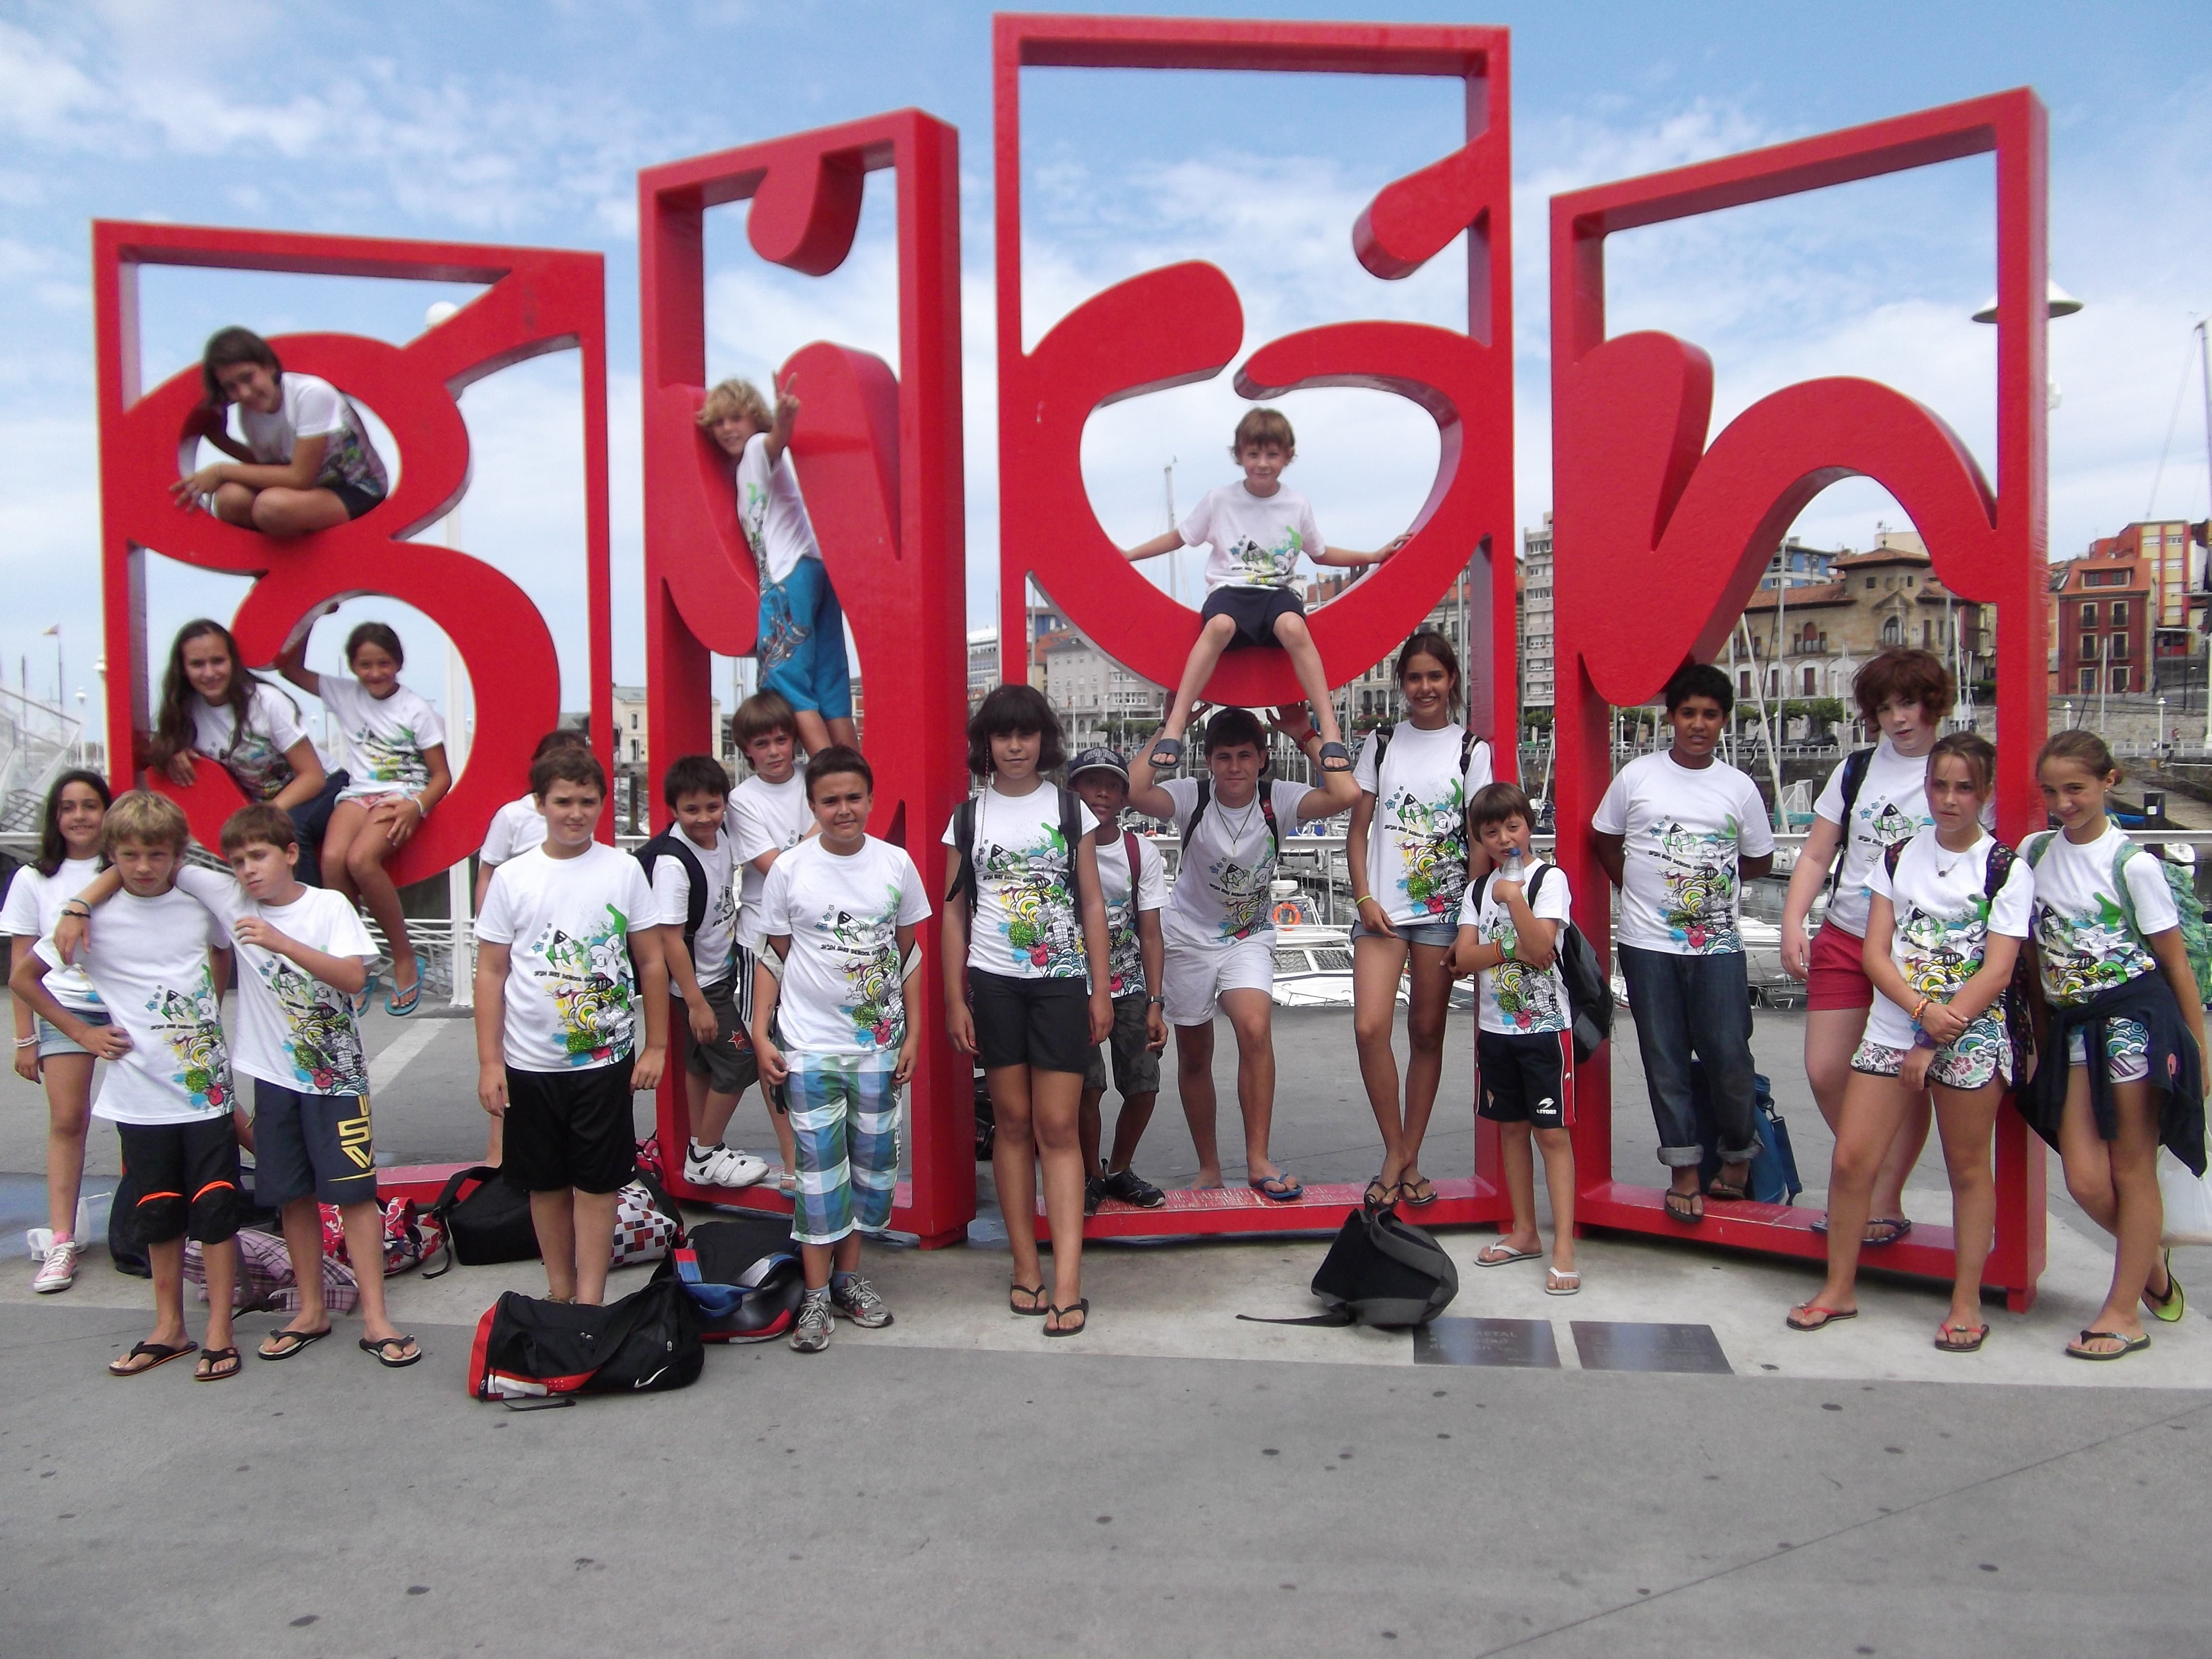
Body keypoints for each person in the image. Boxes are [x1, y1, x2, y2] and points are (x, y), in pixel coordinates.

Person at [57, 805, 419, 1367]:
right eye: (238, 861)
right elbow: (148, 858)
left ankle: (376, 1317)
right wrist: (79, 905)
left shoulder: (328, 906)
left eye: (260, 857)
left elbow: (352, 978)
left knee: (353, 1195)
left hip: (338, 1080)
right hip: (272, 1079)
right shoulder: (230, 899)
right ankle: (311, 1308)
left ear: (291, 853)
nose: (248, 870)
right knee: (290, 1197)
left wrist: (280, 942)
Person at [1787, 734, 2029, 1348]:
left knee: (1968, 1168)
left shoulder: (2005, 868)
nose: (1948, 799)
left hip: (1969, 1034)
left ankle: (1966, 1301)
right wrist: (1920, 1012)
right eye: (1939, 786)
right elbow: (1874, 951)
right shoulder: (1895, 857)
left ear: (1985, 793)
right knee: (1851, 1161)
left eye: (1963, 788)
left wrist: (1941, 1024)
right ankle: (1839, 1288)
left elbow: (1997, 969)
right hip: (1897, 1025)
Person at [8, 792, 243, 1380]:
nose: (144, 866)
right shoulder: (89, 919)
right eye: (131, 855)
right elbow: (24, 978)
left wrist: (209, 1010)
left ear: (176, 854)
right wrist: (80, 1038)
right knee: (158, 1212)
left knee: (216, 1206)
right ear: (112, 855)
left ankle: (219, 1330)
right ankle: (169, 1328)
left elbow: (222, 951)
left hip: (204, 1088)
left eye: (157, 854)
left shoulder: (197, 903)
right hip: (139, 1093)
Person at [2019, 730, 2204, 1361]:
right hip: (2073, 1026)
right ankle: (2150, 1267)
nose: (2063, 802)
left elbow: (2176, 965)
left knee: (2131, 1167)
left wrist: (2199, 1049)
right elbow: (2031, 955)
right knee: (2083, 1179)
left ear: (2108, 782)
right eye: (2051, 791)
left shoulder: (2134, 864)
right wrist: (2040, 1037)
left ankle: (2124, 1313)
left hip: (2134, 1021)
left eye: (2075, 788)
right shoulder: (2034, 851)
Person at [1128, 702, 1361, 1200]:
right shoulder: (1193, 796)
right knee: (1195, 1053)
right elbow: (1133, 790)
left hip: (1247, 935)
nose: (1234, 768)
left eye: (1245, 756)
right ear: (1208, 761)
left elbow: (1346, 792)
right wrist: (1175, 727)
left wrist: (1304, 733)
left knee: (1255, 1027)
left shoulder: (1278, 799)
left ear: (1261, 760)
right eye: (1224, 757)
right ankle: (1209, 1167)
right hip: (1188, 937)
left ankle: (1258, 1159)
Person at [942, 686, 1113, 1338]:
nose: (1015, 747)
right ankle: (1025, 1268)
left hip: (1061, 982)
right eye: (1002, 735)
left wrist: (1099, 988)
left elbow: (1093, 905)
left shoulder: (1072, 812)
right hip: (994, 983)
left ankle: (1068, 1281)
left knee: (1058, 1126)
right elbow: (955, 911)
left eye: (1026, 734)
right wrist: (957, 996)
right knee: (1011, 1124)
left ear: (1045, 740)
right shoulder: (966, 818)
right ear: (985, 745)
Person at [473, 749, 668, 1307]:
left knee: (598, 1183)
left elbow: (650, 961)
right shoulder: (513, 877)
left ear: (603, 804)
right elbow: (490, 971)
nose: (576, 813)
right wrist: (490, 1062)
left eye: (587, 802)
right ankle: (559, 1291)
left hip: (604, 1061)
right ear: (539, 805)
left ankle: (590, 1299)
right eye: (563, 802)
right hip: (529, 1063)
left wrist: (655, 1043)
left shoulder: (623, 869)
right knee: (544, 1183)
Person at [751, 746, 930, 1353]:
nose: (843, 810)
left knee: (867, 1173)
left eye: (853, 797)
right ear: (813, 806)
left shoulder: (897, 864)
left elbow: (909, 954)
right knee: (817, 1178)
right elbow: (772, 954)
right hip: (807, 1048)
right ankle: (816, 1295)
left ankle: (850, 1281)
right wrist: (760, 1031)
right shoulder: (790, 870)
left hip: (877, 1050)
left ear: (871, 800)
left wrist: (914, 1032)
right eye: (830, 800)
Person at [1779, 649, 1956, 1246]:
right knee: (1827, 1069)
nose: (1898, 719)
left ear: (1933, 703)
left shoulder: (1955, 770)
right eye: (1884, 708)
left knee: (1906, 1079)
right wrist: (1792, 920)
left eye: (1908, 704)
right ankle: (1867, 1166)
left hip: (1918, 951)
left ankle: (1881, 1195)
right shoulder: (1855, 770)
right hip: (1847, 933)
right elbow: (1816, 852)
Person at [1121, 408, 1402, 778]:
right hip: (1230, 590)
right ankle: (1174, 728)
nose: (1263, 464)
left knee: (1294, 627)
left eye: (1272, 455)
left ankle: (1330, 730)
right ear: (1239, 455)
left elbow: (1320, 552)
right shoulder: (1220, 500)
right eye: (1253, 455)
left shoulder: (1297, 504)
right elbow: (1180, 537)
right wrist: (1128, 556)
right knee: (1219, 626)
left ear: (1288, 456)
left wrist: (1373, 555)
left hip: (1276, 592)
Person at [1592, 662, 1776, 1223]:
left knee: (1728, 1055)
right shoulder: (1636, 777)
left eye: (1711, 715)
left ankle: (1738, 1156)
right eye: (1689, 713)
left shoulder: (1738, 787)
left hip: (1717, 946)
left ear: (1723, 722)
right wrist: (1636, 887)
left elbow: (1760, 858)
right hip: (1648, 947)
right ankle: (1684, 1172)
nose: (1698, 724)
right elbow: (1605, 838)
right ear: (1671, 717)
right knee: (1664, 1062)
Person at [1348, 629, 1493, 1207]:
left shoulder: (1471, 750)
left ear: (1451, 680)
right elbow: (1357, 830)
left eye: (1435, 676)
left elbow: (1482, 841)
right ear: (1402, 684)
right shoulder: (1381, 744)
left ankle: (1408, 1158)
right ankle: (1396, 1152)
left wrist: (1468, 923)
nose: (1425, 687)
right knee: (1369, 1028)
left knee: (1427, 1035)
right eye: (1415, 677)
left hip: (1443, 915)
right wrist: (1362, 897)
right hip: (1382, 913)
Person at [276, 619, 451, 1016]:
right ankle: (354, 959)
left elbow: (442, 775)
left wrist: (417, 806)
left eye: (384, 663)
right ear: (353, 667)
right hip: (358, 793)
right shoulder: (344, 693)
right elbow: (289, 668)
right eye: (365, 665)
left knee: (361, 860)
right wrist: (314, 615)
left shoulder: (416, 709)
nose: (375, 674)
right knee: (332, 861)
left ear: (399, 664)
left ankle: (405, 958)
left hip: (401, 794)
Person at [1452, 782, 1579, 1294]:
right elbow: (1463, 960)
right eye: (1491, 832)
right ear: (1479, 839)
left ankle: (1564, 1244)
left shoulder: (1549, 879)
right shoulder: (1476, 891)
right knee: (1509, 1129)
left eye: (1513, 827)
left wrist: (1514, 901)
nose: (1505, 839)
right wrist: (1516, 947)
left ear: (1529, 825)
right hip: (1494, 1030)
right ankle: (1524, 1231)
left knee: (1552, 1135)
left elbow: (1544, 947)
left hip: (1545, 1030)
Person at [698, 378, 858, 759]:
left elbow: (774, 443)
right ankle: (859, 774)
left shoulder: (756, 450)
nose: (726, 430)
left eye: (735, 418)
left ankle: (829, 776)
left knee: (785, 677)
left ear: (755, 419)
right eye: (718, 423)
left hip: (787, 573)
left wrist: (784, 420)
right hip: (817, 567)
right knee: (828, 679)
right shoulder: (755, 465)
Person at [4, 771, 111, 1293]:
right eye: (68, 807)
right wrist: (25, 1038)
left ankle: (147, 1229)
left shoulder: (121, 867)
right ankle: (62, 1240)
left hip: (127, 1010)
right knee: (68, 1119)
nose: (79, 816)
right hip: (64, 1009)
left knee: (139, 1124)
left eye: (91, 805)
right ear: (55, 816)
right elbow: (21, 961)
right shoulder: (33, 878)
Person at [643, 753, 766, 1191]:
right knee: (741, 1062)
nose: (704, 818)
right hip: (698, 985)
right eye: (691, 810)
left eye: (713, 807)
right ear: (673, 810)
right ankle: (706, 1151)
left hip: (717, 971)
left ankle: (703, 1147)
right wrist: (695, 1002)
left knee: (702, 1068)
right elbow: (669, 939)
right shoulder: (674, 864)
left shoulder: (722, 839)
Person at [146, 619, 345, 885]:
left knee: (290, 833)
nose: (209, 673)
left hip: (327, 785)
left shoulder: (266, 702)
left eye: (218, 661)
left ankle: (307, 915)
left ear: (233, 662)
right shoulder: (187, 713)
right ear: (182, 670)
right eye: (197, 664)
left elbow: (312, 776)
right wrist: (169, 751)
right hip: (268, 805)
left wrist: (264, 815)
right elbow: (153, 745)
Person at [1066, 747, 1169, 1213]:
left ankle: (1119, 1169)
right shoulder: (1060, 848)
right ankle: (1091, 1174)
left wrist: (1155, 1001)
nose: (1102, 793)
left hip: (1127, 982)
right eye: (1091, 783)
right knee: (1087, 1086)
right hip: (1073, 983)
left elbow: (1150, 931)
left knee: (1144, 1082)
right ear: (1073, 791)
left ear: (1126, 797)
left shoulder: (1138, 852)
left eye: (1111, 785)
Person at [171, 326, 389, 535]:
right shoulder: (251, 416)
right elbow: (270, 469)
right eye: (231, 387)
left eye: (248, 377)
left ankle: (308, 561)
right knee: (231, 499)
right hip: (308, 493)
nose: (244, 393)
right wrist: (223, 441)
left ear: (269, 366)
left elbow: (299, 477)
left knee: (272, 507)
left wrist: (221, 471)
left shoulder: (310, 395)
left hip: (359, 488)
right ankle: (276, 566)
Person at [727, 691, 815, 1188]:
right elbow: (775, 870)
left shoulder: (813, 781)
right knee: (772, 1051)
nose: (777, 751)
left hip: (814, 937)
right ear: (748, 751)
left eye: (783, 739)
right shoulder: (743, 801)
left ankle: (823, 1151)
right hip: (762, 939)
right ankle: (792, 1159)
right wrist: (823, 825)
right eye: (764, 743)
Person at [475, 729, 594, 911]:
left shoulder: (586, 814)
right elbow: (488, 873)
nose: (575, 814)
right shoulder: (513, 815)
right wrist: (485, 926)